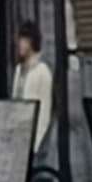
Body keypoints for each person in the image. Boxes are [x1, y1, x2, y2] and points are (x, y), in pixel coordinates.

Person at [11, 25, 55, 153]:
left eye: (23, 41)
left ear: (31, 42)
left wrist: (37, 144)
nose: (20, 45)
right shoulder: (19, 70)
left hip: (34, 139)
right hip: (19, 136)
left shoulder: (42, 71)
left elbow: (45, 111)